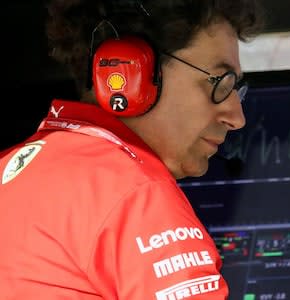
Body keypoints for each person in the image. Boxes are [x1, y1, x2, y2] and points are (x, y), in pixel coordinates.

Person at [0, 0, 264, 299]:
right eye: (219, 82)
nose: (236, 117)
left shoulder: (11, 170)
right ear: (128, 72)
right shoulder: (136, 195)